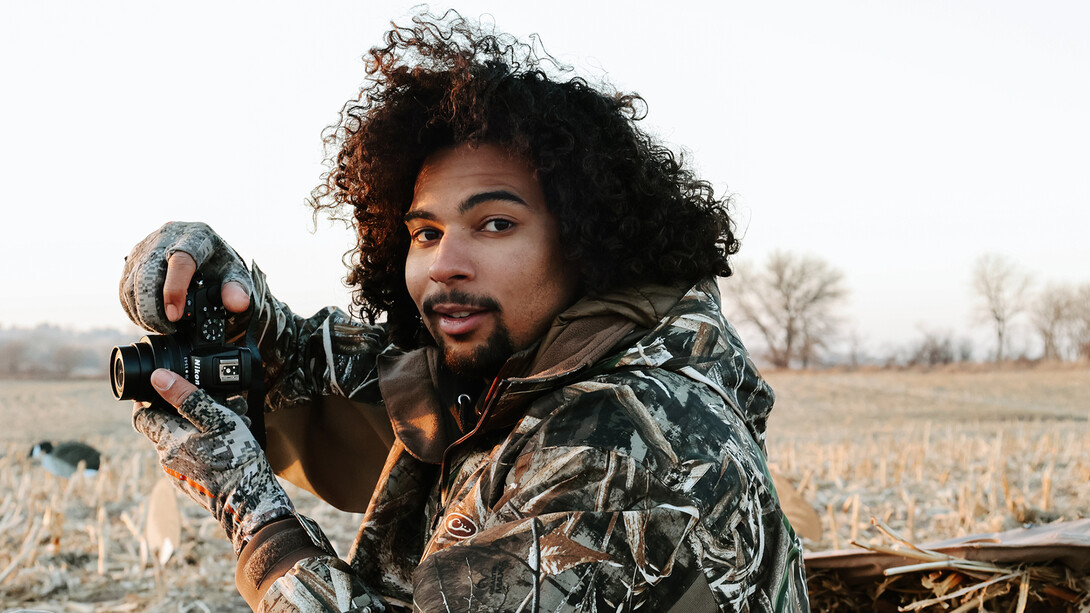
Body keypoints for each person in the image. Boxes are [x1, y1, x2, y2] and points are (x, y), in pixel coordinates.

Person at [120, 11, 809, 613]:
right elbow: (353, 370)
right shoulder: (526, 364)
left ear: (589, 241)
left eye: (496, 224)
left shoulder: (623, 445)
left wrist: (254, 516)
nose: (445, 262)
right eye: (425, 232)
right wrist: (233, 301)